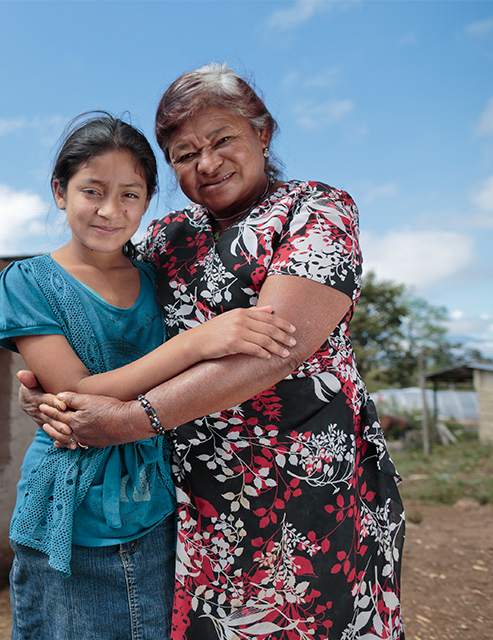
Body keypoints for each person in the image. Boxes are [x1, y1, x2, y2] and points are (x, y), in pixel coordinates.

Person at [27, 65, 405, 639]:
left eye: (222, 139)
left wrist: (128, 419)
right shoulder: (164, 238)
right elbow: (107, 327)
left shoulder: (315, 211)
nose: (206, 163)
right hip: (194, 500)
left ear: (263, 133)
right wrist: (54, 389)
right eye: (183, 153)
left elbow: (277, 350)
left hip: (305, 491)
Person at [0, 113, 297, 640]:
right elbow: (76, 394)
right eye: (93, 190)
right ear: (60, 192)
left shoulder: (156, 275)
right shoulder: (28, 281)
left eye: (131, 194)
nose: (111, 210)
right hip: (71, 521)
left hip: (159, 510)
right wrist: (198, 340)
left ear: (150, 199)